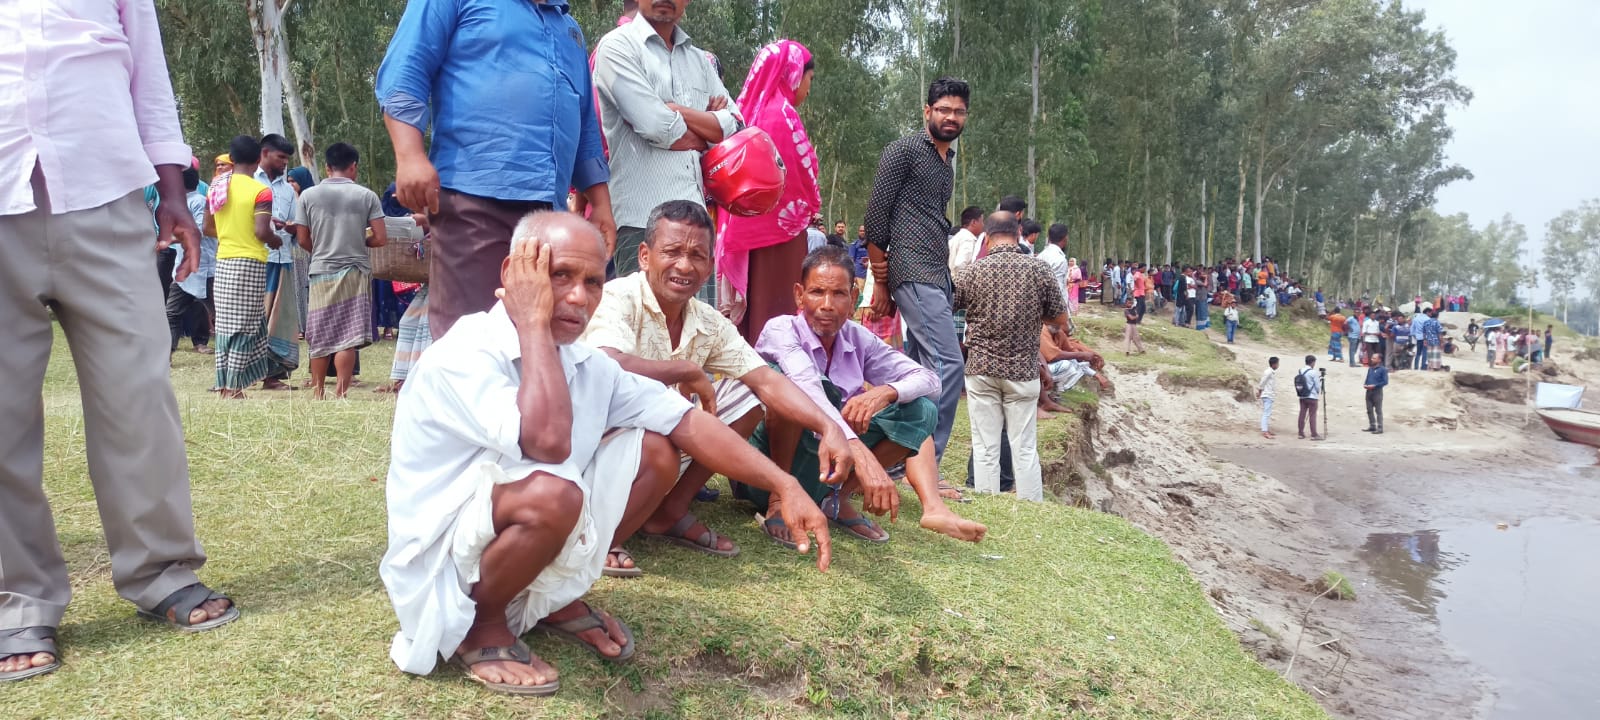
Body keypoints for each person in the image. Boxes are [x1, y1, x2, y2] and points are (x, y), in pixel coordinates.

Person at [380, 211, 834, 694]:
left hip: (506, 527)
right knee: (555, 493)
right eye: (559, 277)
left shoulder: (583, 363)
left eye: (593, 282)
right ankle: (483, 625)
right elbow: (547, 444)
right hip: (444, 564)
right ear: (515, 274)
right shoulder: (467, 352)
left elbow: (689, 423)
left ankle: (549, 597)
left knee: (657, 449)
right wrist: (533, 322)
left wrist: (784, 486)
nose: (579, 297)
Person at [1, 0, 237, 683]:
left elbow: (151, 85)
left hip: (105, 196)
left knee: (138, 394)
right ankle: (19, 598)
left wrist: (173, 194)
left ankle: (161, 569)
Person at [580, 201, 854, 574]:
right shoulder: (618, 298)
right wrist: (684, 371)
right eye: (672, 252)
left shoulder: (707, 321)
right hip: (597, 449)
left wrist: (829, 427)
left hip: (662, 441)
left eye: (696, 255)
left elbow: (767, 380)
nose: (684, 265)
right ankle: (602, 537)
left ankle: (669, 512)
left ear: (710, 265)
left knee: (748, 393)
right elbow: (606, 364)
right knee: (659, 441)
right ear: (645, 256)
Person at [376, 0, 617, 341]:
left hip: (549, 214)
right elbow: (406, 69)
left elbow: (585, 124)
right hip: (473, 199)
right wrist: (410, 155)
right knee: (470, 340)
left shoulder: (570, 29)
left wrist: (601, 204)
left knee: (541, 338)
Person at [752, 246, 986, 543]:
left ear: (853, 298)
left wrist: (884, 393)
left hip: (827, 467)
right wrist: (859, 453)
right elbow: (807, 386)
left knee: (921, 410)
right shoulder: (781, 329)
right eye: (816, 292)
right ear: (799, 295)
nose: (827, 304)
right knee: (787, 384)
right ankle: (777, 499)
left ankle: (836, 500)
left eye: (838, 294)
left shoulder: (858, 337)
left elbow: (930, 380)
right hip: (767, 468)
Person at [864, 77, 970, 467]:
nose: (950, 117)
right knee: (948, 363)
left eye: (958, 111)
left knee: (920, 369)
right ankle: (928, 466)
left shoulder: (947, 163)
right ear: (927, 111)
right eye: (943, 109)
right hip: (911, 267)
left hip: (936, 271)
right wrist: (880, 281)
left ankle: (892, 461)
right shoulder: (904, 151)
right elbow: (876, 218)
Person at [593, 0, 738, 282]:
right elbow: (657, 126)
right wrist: (708, 126)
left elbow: (735, 127)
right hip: (641, 224)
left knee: (697, 325)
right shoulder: (617, 47)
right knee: (642, 323)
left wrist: (678, 111)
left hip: (697, 225)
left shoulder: (699, 60)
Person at [953, 215, 1067, 500]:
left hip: (981, 368)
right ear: (1018, 233)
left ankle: (989, 505)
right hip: (1022, 369)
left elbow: (950, 304)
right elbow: (1060, 318)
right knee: (1025, 446)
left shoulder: (972, 272)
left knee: (985, 445)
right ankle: (1030, 504)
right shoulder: (1039, 270)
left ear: (987, 237)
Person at [712, 41, 820, 341]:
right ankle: (775, 381)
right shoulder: (781, 115)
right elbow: (803, 177)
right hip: (778, 234)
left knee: (754, 310)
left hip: (745, 231)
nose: (808, 88)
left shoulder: (747, 113)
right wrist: (812, 202)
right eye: (809, 79)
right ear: (794, 74)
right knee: (778, 311)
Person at [292, 143, 388, 400]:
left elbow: (302, 239)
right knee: (348, 335)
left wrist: (322, 249)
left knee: (320, 331)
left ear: (327, 167)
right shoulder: (367, 196)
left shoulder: (308, 196)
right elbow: (380, 238)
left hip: (321, 268)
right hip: (355, 270)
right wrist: (360, 240)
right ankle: (341, 391)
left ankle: (318, 391)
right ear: (353, 166)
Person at [208, 136, 288, 399]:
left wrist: (230, 232)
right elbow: (261, 231)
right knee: (246, 325)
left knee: (225, 324)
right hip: (250, 261)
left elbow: (207, 228)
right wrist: (275, 240)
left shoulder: (217, 186)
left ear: (231, 159)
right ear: (258, 160)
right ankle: (234, 387)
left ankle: (223, 384)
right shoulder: (260, 191)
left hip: (224, 260)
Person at [255, 134, 302, 389]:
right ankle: (239, 374)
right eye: (280, 157)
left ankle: (271, 377)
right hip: (255, 259)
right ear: (265, 153)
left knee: (278, 321)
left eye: (286, 158)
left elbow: (297, 226)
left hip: (282, 259)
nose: (284, 163)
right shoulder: (248, 181)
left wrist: (291, 228)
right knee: (252, 316)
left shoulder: (287, 190)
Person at [166, 167, 218, 355]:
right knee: (172, 311)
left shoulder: (200, 202)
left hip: (204, 268)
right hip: (184, 269)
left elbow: (197, 231)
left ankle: (232, 353)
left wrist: (168, 239)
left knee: (219, 313)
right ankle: (167, 353)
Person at [946, 206, 984, 275]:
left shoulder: (958, 237)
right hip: (959, 283)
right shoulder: (968, 239)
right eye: (981, 221)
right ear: (974, 222)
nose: (983, 225)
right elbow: (960, 265)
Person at [1296, 355, 1322, 441]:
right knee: (1312, 415)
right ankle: (1314, 434)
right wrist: (1318, 392)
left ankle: (1300, 433)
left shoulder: (1300, 371)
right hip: (1312, 396)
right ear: (1312, 362)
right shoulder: (1313, 372)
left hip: (1302, 395)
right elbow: (1318, 386)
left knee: (1302, 414)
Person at [1363, 354, 1388, 434]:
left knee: (1378, 410)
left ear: (1379, 360)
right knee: (1369, 410)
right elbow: (1367, 378)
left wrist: (1375, 386)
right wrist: (1365, 385)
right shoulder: (1370, 369)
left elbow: (1385, 382)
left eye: (1374, 358)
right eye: (1372, 357)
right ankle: (1372, 426)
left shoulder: (1383, 369)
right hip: (1369, 392)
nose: (1372, 359)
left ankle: (1380, 428)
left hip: (1377, 392)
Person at [1257, 357, 1278, 440]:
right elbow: (1262, 382)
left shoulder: (1270, 372)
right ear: (1274, 364)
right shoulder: (1269, 372)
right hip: (1267, 394)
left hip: (1268, 394)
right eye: (1277, 363)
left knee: (1267, 413)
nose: (1278, 365)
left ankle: (1266, 430)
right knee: (1266, 413)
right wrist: (1259, 391)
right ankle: (1265, 431)